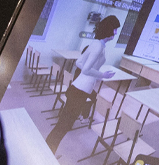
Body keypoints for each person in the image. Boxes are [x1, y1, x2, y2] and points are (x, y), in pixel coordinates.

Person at [45, 15, 120, 154]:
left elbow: (79, 63)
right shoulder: (99, 47)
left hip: (77, 87)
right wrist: (102, 75)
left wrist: (92, 71)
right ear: (109, 29)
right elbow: (85, 69)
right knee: (64, 125)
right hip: (80, 91)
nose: (115, 33)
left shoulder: (96, 43)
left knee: (63, 124)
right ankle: (48, 152)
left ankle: (48, 151)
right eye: (115, 29)